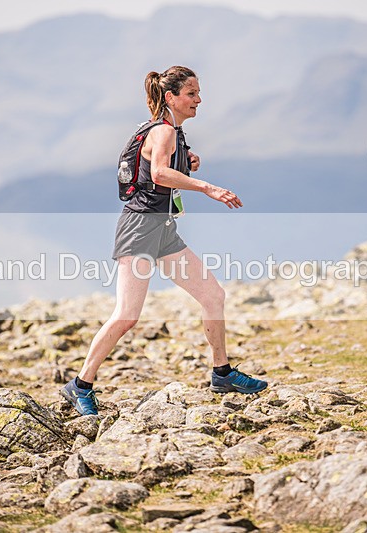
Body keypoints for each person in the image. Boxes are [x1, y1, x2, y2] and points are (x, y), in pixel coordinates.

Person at [60, 66, 268, 416]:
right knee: (127, 315)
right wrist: (208, 187)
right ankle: (79, 385)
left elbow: (160, 171)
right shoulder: (165, 132)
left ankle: (222, 373)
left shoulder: (169, 133)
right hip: (140, 227)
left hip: (162, 229)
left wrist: (187, 164)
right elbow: (158, 173)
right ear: (171, 97)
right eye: (191, 94)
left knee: (213, 296)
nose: (199, 100)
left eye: (198, 93)